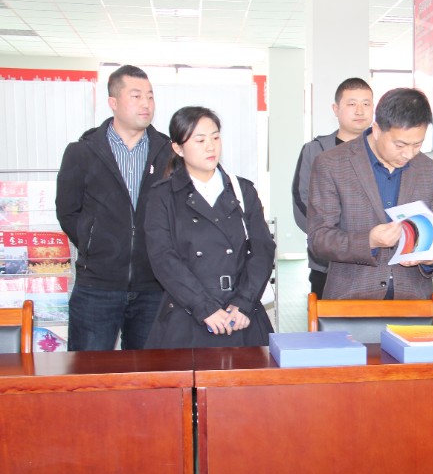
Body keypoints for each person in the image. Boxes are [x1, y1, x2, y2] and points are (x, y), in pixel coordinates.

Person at [56, 65, 171, 351]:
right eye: (136, 96)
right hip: (96, 286)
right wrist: (94, 243)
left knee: (151, 372)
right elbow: (67, 211)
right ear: (113, 102)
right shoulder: (82, 152)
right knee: (89, 371)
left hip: (154, 286)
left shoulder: (169, 153)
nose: (146, 104)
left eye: (150, 96)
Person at [143, 106, 276, 348]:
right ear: (178, 148)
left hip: (241, 315)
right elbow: (163, 257)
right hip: (188, 314)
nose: (210, 146)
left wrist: (243, 303)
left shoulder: (242, 190)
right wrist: (204, 308)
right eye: (200, 140)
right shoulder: (163, 195)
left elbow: (262, 249)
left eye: (215, 137)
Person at [307, 88, 433, 300]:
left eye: (417, 144)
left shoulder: (430, 171)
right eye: (400, 144)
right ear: (376, 130)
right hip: (351, 301)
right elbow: (319, 239)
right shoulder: (332, 164)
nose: (409, 153)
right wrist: (369, 241)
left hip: (412, 303)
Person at [292, 78, 373, 298]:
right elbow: (301, 200)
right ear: (336, 109)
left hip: (375, 265)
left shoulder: (384, 151)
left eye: (366, 104)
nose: (360, 111)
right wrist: (334, 240)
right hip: (327, 264)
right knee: (327, 318)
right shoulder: (315, 150)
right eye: (352, 104)